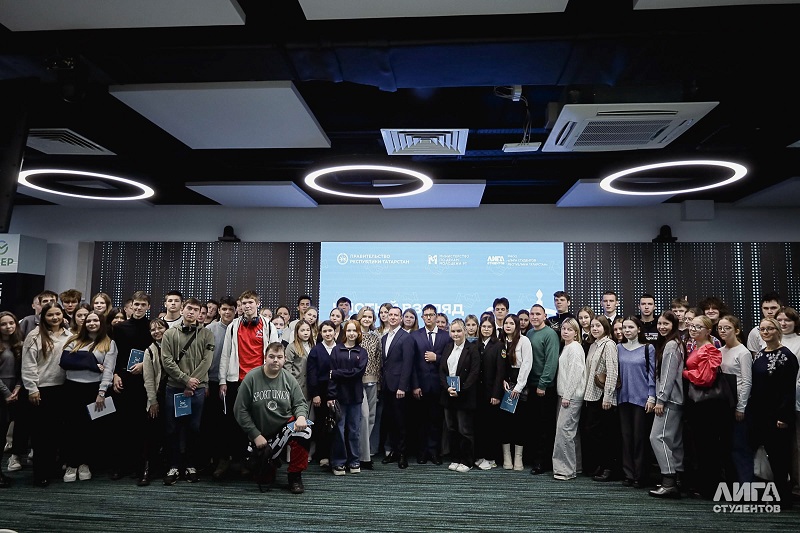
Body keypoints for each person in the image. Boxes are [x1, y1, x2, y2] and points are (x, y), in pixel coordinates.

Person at [233, 342, 310, 494]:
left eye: (279, 357)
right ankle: (269, 463)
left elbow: (300, 403)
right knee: (264, 478)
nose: (275, 360)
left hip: (283, 430)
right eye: (272, 356)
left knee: (305, 432)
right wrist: (255, 434)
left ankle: (295, 476)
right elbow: (239, 410)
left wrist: (301, 416)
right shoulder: (251, 378)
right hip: (259, 434)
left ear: (284, 359)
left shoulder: (289, 379)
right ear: (265, 357)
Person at [219, 290, 279, 472]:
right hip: (237, 380)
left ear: (258, 304)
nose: (247, 306)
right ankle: (237, 460)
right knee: (236, 421)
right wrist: (222, 380)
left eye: (250, 302)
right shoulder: (233, 326)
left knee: (259, 421)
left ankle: (258, 461)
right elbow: (225, 354)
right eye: (244, 303)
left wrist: (273, 379)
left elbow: (275, 355)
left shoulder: (269, 326)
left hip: (261, 380)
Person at [160, 298, 215, 485]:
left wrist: (192, 383)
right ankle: (174, 466)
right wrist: (185, 380)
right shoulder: (169, 333)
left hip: (197, 389)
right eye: (189, 308)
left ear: (200, 313)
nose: (192, 312)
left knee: (194, 428)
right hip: (174, 388)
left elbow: (207, 361)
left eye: (196, 310)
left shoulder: (207, 334)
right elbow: (167, 361)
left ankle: (191, 465)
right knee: (172, 429)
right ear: (182, 309)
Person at [59, 311, 117, 483]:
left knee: (89, 429)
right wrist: (92, 364)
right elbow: (64, 362)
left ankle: (85, 463)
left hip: (93, 390)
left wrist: (101, 393)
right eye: (89, 320)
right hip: (71, 388)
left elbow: (108, 370)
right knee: (71, 428)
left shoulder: (109, 343)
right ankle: (72, 463)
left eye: (96, 320)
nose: (92, 323)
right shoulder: (74, 340)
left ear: (101, 323)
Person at [747, 317, 799, 509]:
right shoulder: (760, 354)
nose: (766, 332)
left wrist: (783, 416)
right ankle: (767, 493)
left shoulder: (787, 356)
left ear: (778, 331)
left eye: (770, 329)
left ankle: (783, 498)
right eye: (762, 329)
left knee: (779, 457)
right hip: (759, 413)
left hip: (777, 415)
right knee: (762, 456)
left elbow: (788, 390)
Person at [21, 303, 70, 486]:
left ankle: (51, 468)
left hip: (62, 389)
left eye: (58, 314)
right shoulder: (34, 336)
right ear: (43, 317)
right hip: (41, 389)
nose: (55, 318)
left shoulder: (69, 335)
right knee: (41, 434)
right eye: (50, 315)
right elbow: (28, 364)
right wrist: (32, 388)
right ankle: (40, 473)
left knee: (56, 433)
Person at [682, 314, 730, 499]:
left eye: (698, 327)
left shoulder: (710, 349)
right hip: (697, 403)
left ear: (708, 331)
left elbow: (706, 379)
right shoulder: (696, 346)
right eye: (692, 326)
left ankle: (710, 487)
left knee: (707, 445)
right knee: (699, 445)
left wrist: (685, 373)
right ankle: (703, 485)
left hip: (708, 405)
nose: (693, 330)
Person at [109, 291, 153, 482]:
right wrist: (115, 374)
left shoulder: (152, 327)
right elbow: (113, 355)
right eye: (136, 304)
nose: (139, 308)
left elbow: (158, 353)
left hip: (145, 380)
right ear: (131, 305)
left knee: (141, 425)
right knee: (121, 424)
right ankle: (120, 466)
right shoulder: (119, 328)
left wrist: (144, 364)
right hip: (123, 379)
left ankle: (140, 466)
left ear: (148, 307)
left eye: (143, 305)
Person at [648, 311, 685, 498]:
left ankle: (669, 481)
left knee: (657, 438)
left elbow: (668, 375)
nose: (662, 327)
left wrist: (660, 399)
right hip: (674, 400)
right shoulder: (672, 343)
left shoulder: (671, 345)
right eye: (660, 323)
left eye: (666, 324)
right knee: (674, 442)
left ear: (674, 325)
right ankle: (678, 480)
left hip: (669, 400)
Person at [617, 316, 655, 488]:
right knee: (626, 438)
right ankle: (628, 474)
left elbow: (652, 374)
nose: (626, 330)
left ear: (638, 329)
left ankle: (640, 475)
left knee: (640, 438)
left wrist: (652, 396)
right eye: (624, 327)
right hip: (622, 398)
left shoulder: (648, 348)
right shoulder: (618, 348)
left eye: (630, 327)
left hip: (641, 399)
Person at [582, 316, 620, 482]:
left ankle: (608, 468)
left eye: (598, 326)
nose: (595, 329)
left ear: (605, 327)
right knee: (593, 433)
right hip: (591, 396)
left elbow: (612, 371)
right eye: (592, 326)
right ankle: (600, 465)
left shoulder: (609, 344)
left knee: (606, 434)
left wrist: (608, 396)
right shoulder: (593, 345)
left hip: (603, 397)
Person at [439, 319, 480, 473]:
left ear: (464, 331)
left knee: (464, 430)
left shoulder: (472, 349)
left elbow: (474, 373)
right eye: (453, 331)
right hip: (448, 394)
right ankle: (456, 458)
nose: (456, 334)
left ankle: (467, 461)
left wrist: (460, 390)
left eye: (458, 331)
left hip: (465, 396)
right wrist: (447, 387)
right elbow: (442, 370)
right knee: (451, 429)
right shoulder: (448, 347)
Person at [328, 320, 368, 475]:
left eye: (354, 331)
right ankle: (339, 462)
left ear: (358, 333)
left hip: (355, 397)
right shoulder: (336, 350)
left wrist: (338, 373)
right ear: (345, 332)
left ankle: (354, 461)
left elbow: (358, 373)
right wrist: (331, 395)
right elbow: (331, 376)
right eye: (349, 330)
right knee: (339, 430)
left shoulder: (362, 352)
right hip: (339, 396)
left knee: (354, 430)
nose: (351, 333)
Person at [410, 304, 449, 465]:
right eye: (425, 315)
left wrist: (437, 358)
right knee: (421, 421)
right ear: (422, 317)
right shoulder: (415, 335)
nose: (428, 317)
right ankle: (422, 452)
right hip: (421, 386)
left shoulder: (446, 336)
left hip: (439, 386)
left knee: (436, 421)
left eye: (431, 314)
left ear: (436, 316)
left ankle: (434, 452)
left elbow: (450, 359)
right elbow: (411, 363)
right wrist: (415, 385)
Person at [718, 315, 753, 483]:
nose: (723, 331)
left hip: (738, 405)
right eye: (720, 328)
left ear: (737, 330)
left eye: (727, 328)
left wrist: (741, 407)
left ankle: (745, 485)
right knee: (726, 446)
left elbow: (747, 381)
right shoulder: (719, 351)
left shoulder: (743, 352)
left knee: (740, 447)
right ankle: (731, 484)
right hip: (724, 403)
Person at [525, 304, 560, 475]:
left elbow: (551, 362)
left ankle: (543, 462)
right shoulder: (529, 333)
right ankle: (535, 459)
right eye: (532, 314)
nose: (534, 317)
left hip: (544, 388)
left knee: (544, 427)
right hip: (531, 386)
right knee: (534, 425)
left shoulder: (550, 334)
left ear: (545, 316)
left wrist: (543, 384)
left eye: (538, 314)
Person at [205, 296, 237, 481]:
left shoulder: (238, 328)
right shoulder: (210, 329)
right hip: (212, 381)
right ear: (219, 310)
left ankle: (235, 460)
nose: (227, 312)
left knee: (231, 422)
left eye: (230, 309)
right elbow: (203, 357)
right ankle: (217, 460)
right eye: (224, 309)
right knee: (214, 423)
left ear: (235, 311)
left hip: (232, 381)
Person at [380, 307, 414, 470]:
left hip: (399, 388)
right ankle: (393, 451)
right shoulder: (384, 337)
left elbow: (408, 364)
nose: (392, 317)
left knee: (401, 422)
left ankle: (402, 454)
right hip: (386, 386)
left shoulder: (406, 337)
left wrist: (402, 387)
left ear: (401, 318)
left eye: (396, 315)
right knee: (390, 421)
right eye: (390, 315)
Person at [552, 318, 586, 481]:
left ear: (576, 332)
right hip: (565, 395)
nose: (565, 332)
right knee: (571, 433)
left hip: (570, 397)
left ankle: (565, 471)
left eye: (569, 329)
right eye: (564, 328)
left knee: (564, 432)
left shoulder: (575, 348)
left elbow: (575, 373)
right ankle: (576, 466)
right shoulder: (567, 347)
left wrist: (567, 395)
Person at [499, 314, 533, 471]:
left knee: (520, 422)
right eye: (506, 323)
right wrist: (502, 380)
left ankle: (518, 457)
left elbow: (527, 364)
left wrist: (518, 387)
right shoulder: (500, 341)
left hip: (520, 383)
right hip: (504, 384)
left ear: (517, 325)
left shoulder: (524, 341)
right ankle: (507, 457)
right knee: (504, 422)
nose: (508, 326)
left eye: (511, 323)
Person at [473, 316, 505, 471]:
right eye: (484, 326)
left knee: (491, 427)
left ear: (493, 329)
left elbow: (500, 372)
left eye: (489, 327)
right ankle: (481, 455)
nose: (486, 329)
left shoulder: (499, 345)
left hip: (492, 393)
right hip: (478, 393)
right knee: (480, 425)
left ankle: (491, 458)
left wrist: (496, 394)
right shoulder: (476, 345)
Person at [141, 318, 169, 486]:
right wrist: (152, 401)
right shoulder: (149, 351)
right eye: (153, 330)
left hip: (174, 395)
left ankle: (168, 467)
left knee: (171, 433)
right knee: (151, 434)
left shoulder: (175, 347)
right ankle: (147, 468)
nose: (156, 332)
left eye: (160, 328)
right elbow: (149, 379)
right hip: (157, 397)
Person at [307, 320, 337, 467]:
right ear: (320, 333)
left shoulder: (341, 348)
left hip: (338, 392)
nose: (327, 334)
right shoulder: (316, 350)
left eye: (330, 330)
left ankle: (336, 455)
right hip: (321, 392)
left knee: (337, 424)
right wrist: (315, 394)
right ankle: (322, 455)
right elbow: (311, 374)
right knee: (321, 424)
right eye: (324, 331)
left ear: (335, 332)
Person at [356, 306, 382, 470]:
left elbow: (378, 360)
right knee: (364, 416)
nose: (367, 319)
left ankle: (363, 453)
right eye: (364, 316)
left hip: (373, 381)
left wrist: (379, 382)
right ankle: (363, 456)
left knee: (371, 417)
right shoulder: (354, 334)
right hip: (357, 382)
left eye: (370, 317)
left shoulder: (376, 336)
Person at [0, 311, 23, 488]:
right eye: (3, 324)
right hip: (2, 392)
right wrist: (6, 392)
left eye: (11, 323)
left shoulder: (19, 344)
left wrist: (17, 387)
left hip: (14, 393)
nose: (8, 327)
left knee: (2, 435)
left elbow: (23, 369)